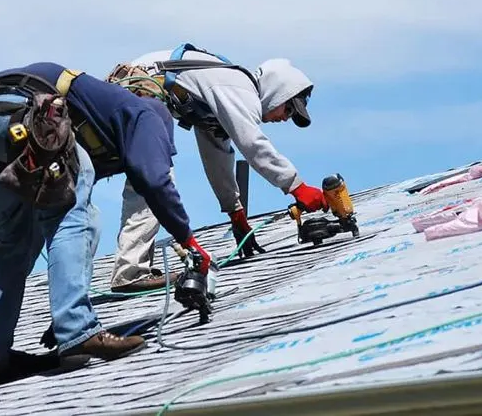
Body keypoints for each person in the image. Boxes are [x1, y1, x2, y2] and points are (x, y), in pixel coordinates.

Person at [0, 62, 212, 382]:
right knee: (75, 217)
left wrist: (66, 297)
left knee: (16, 244)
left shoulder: (101, 119)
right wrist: (189, 242)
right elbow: (154, 181)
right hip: (24, 112)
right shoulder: (148, 116)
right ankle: (77, 328)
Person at [105, 43, 326, 287]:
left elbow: (217, 156)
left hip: (133, 96)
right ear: (278, 94)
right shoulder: (239, 88)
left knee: (150, 179)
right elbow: (253, 144)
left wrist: (235, 212)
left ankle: (133, 268)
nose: (284, 118)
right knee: (156, 179)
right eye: (288, 109)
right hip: (137, 94)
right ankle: (130, 273)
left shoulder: (226, 94)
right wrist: (297, 187)